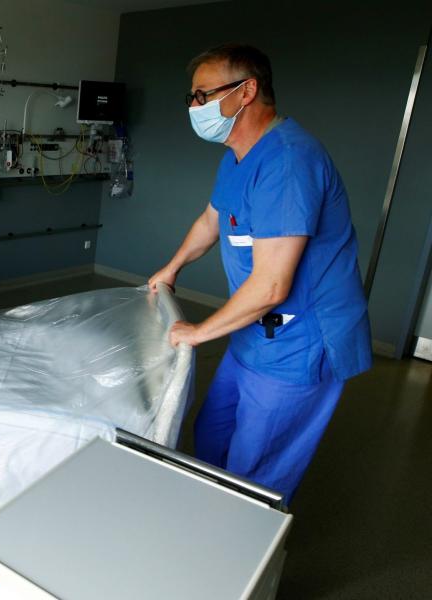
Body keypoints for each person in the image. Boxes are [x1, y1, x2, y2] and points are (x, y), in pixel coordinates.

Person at [149, 44, 372, 503]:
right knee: (211, 435)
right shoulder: (237, 156)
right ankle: (205, 522)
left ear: (246, 91)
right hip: (254, 332)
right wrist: (171, 268)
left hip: (300, 342)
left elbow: (272, 286)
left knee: (253, 474)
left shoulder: (289, 162)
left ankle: (232, 555)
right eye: (192, 98)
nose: (195, 107)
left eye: (202, 95)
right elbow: (211, 220)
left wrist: (197, 332)